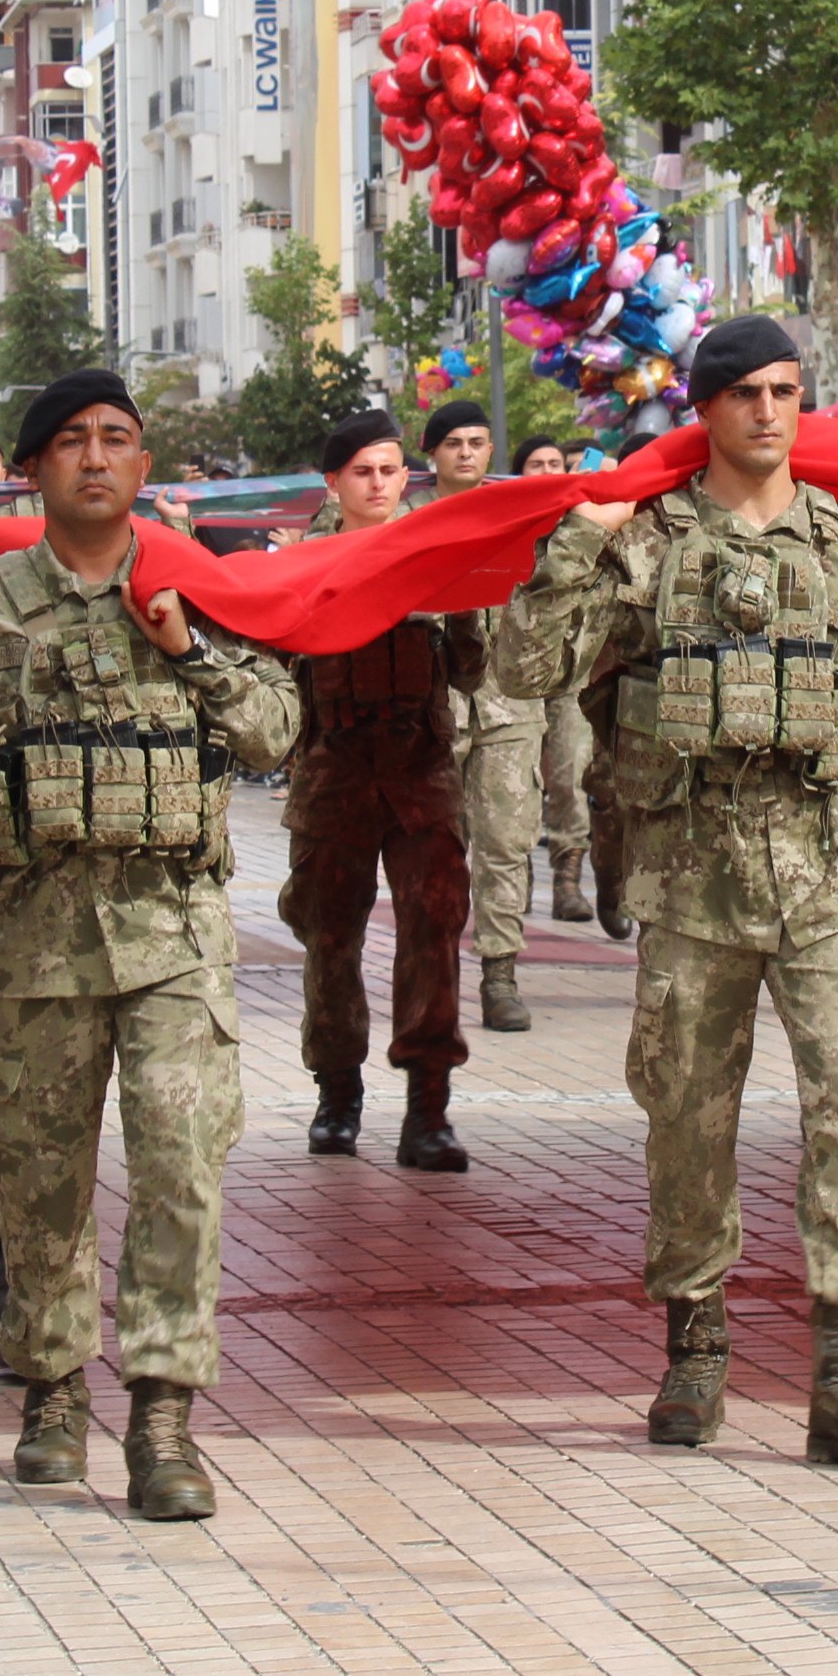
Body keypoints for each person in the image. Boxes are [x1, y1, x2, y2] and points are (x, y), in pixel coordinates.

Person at [495, 314, 838, 1471]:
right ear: (706, 410)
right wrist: (578, 541)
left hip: (828, 870)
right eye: (744, 393)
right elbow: (525, 667)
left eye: (786, 390)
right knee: (687, 1117)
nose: (768, 411)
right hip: (691, 875)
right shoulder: (649, 543)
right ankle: (696, 1344)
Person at [0, 371, 298, 1516]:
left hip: (173, 932)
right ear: (32, 469)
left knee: (180, 1168)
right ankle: (53, 1386)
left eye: (120, 438)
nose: (98, 457)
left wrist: (189, 652)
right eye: (72, 441)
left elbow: (274, 725)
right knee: (38, 1179)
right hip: (31, 937)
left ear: (145, 465)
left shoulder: (195, 588)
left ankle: (163, 1416)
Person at [281, 409, 481, 1168]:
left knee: (433, 932)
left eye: (390, 469)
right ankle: (337, 1094)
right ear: (332, 481)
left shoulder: (434, 555)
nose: (378, 483)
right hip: (334, 772)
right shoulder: (301, 562)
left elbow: (472, 671)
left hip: (421, 770)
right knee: (330, 939)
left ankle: (428, 1108)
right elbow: (271, 667)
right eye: (362, 471)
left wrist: (461, 599)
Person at [420, 397, 550, 1037]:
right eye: (453, 444)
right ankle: (436, 970)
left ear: (491, 452)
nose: (466, 453)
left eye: (476, 442)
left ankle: (500, 973)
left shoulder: (517, 518)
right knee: (438, 848)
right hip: (434, 706)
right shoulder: (406, 521)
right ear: (433, 454)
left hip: (509, 703)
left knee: (506, 843)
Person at [509, 433, 599, 925]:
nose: (547, 471)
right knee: (521, 783)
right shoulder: (509, 525)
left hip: (570, 671)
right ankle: (515, 873)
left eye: (555, 464)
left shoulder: (587, 520)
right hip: (515, 678)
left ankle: (568, 878)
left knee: (569, 776)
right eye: (535, 464)